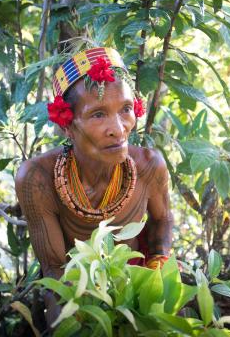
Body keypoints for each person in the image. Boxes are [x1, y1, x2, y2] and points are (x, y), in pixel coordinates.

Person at [14, 47, 173, 324]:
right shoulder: (37, 179)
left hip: (136, 277)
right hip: (77, 285)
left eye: (125, 109)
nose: (118, 128)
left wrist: (156, 274)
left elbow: (162, 220)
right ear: (67, 124)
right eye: (98, 114)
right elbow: (55, 269)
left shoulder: (149, 166)